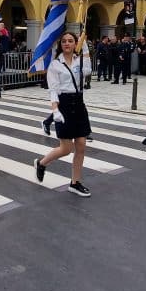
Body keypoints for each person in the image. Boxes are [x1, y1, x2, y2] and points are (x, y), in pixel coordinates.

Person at [34, 32, 92, 196]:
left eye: (71, 41)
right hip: (64, 105)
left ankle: (75, 182)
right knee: (66, 148)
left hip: (79, 104)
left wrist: (85, 46)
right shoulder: (55, 65)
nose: (67, 43)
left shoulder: (79, 60)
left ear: (75, 43)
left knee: (81, 145)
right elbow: (53, 90)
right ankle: (41, 163)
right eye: (64, 41)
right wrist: (55, 110)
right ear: (61, 45)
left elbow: (87, 71)